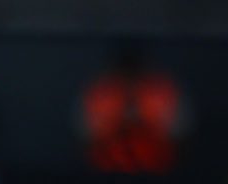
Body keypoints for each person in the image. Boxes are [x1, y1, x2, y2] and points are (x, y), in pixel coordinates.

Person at [80, 41, 187, 174]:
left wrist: (144, 123)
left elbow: (179, 133)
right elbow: (87, 135)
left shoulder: (160, 90)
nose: (130, 77)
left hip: (157, 168)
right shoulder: (102, 92)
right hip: (108, 169)